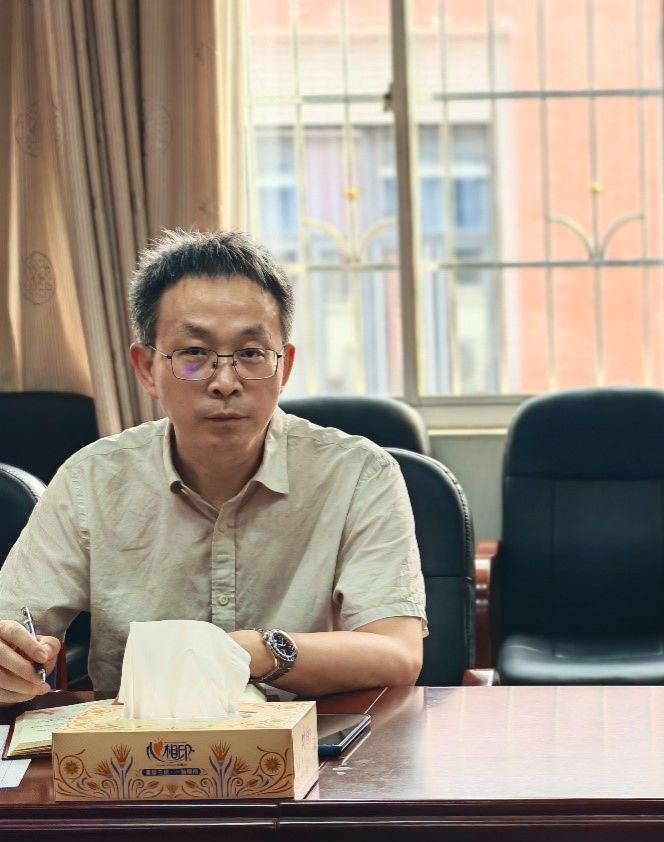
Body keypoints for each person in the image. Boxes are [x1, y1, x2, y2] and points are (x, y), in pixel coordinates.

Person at [0, 230, 426, 704]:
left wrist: (260, 651)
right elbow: (13, 626)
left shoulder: (359, 473)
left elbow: (397, 653)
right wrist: (11, 662)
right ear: (146, 369)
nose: (225, 381)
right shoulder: (91, 480)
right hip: (136, 742)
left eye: (250, 354)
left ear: (284, 367)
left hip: (314, 738)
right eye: (194, 354)